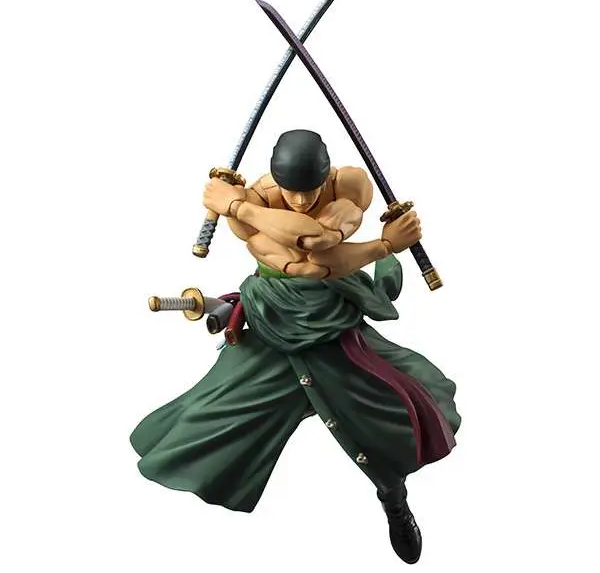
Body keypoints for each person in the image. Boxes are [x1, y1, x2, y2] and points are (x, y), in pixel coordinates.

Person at [131, 129, 460, 564]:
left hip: (333, 328)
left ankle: (393, 497)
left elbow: (319, 249)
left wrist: (235, 205)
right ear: (276, 180)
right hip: (272, 324)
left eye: (311, 190)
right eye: (292, 191)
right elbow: (300, 259)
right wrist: (382, 245)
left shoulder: (344, 185)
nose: (302, 201)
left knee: (382, 413)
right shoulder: (260, 194)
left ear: (326, 176)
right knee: (216, 409)